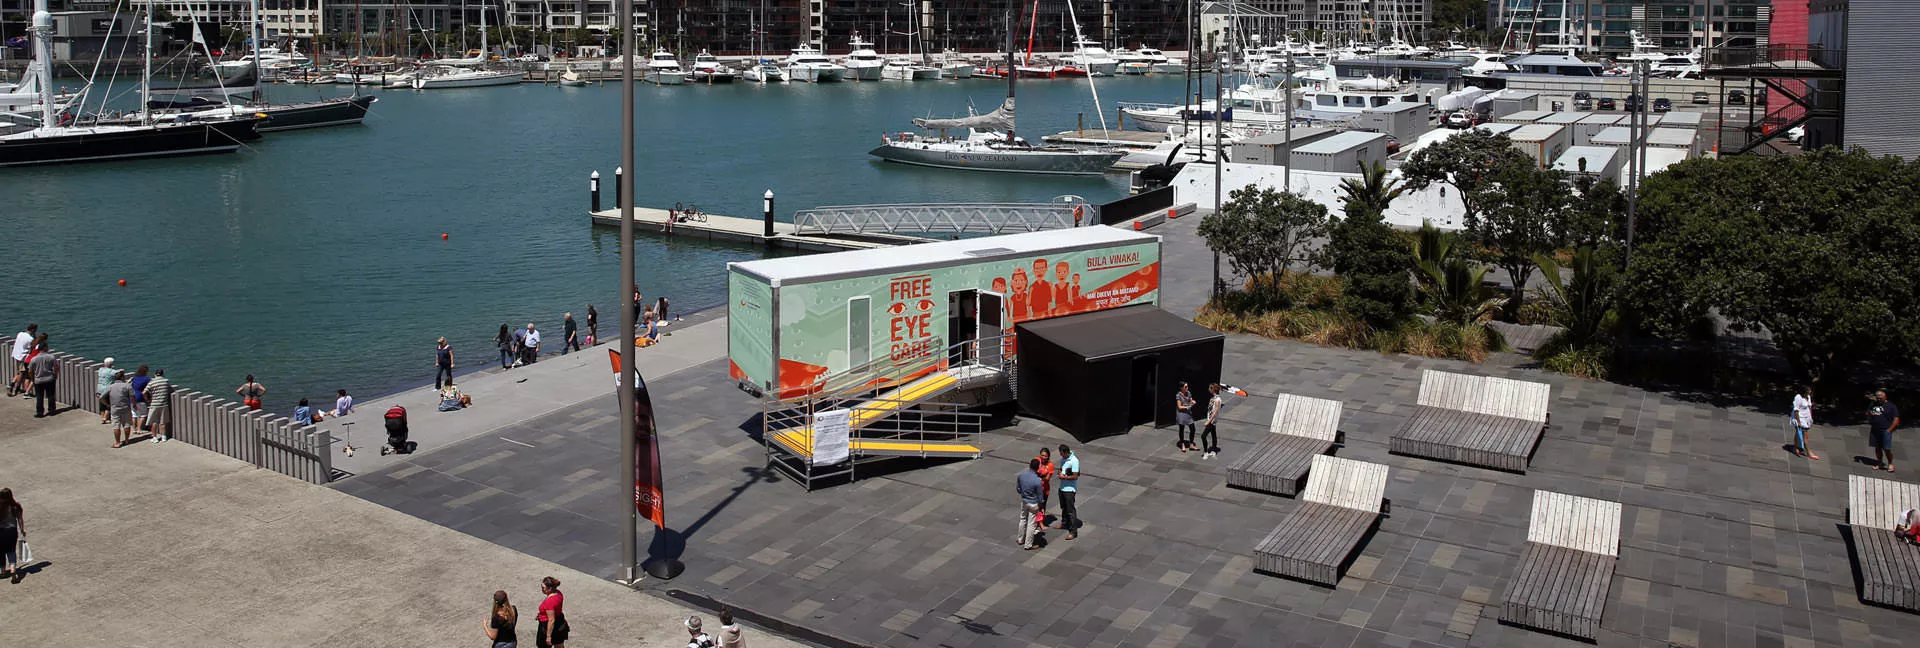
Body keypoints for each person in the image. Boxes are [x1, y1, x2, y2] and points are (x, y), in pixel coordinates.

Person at [1870, 390, 1902, 472]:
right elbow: (1868, 413)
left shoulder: (1891, 406)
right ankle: (1879, 462)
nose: (1879, 400)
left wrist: (1889, 430)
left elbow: (1896, 419)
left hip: (1885, 430)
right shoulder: (1874, 404)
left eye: (1881, 398)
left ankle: (1890, 464)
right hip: (1875, 430)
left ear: (1885, 397)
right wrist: (1870, 413)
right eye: (1878, 398)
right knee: (1877, 448)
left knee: (1887, 448)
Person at [1016, 459, 1044, 550]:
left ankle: (1020, 539)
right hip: (1033, 503)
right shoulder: (1037, 480)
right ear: (1038, 468)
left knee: (1022, 519)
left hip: (1024, 500)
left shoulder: (1021, 475)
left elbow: (1018, 488)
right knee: (1031, 524)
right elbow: (1040, 496)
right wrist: (1041, 506)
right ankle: (1028, 544)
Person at [1054, 444, 1080, 540]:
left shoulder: (1074, 461)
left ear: (1066, 452)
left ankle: (1073, 531)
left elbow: (1075, 476)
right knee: (1063, 507)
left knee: (1070, 510)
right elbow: (1060, 470)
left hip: (1070, 489)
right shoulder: (1063, 460)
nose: (1061, 456)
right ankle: (1064, 523)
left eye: (1061, 454)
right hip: (1062, 488)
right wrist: (1060, 473)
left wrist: (1064, 477)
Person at [535, 576, 567, 648]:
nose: (542, 589)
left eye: (543, 587)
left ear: (550, 588)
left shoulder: (550, 601)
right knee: (559, 644)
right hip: (559, 622)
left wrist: (548, 636)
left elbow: (551, 620)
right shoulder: (558, 593)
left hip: (547, 626)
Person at [107, 371, 135, 448]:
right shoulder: (127, 386)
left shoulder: (111, 386)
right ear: (122, 377)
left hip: (115, 409)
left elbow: (101, 397)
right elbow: (132, 396)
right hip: (125, 408)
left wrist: (108, 405)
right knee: (126, 424)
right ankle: (126, 440)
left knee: (116, 426)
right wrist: (134, 405)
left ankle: (117, 442)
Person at [1789, 385, 1818, 460]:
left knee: (1798, 433)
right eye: (1808, 390)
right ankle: (1809, 452)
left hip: (1806, 418)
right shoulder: (1798, 397)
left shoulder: (1808, 397)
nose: (1810, 392)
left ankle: (1795, 448)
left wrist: (1810, 418)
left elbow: (1809, 407)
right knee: (1805, 436)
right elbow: (1796, 410)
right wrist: (1798, 422)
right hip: (1800, 418)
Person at [29, 342, 57, 418]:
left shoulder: (34, 359)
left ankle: (40, 412)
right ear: (44, 348)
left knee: (39, 396)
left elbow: (30, 370)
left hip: (38, 380)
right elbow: (56, 367)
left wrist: (33, 379)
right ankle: (51, 410)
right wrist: (55, 375)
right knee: (51, 395)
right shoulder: (51, 357)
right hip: (49, 379)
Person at [0, 488, 22, 583]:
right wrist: (22, 530)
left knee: (1, 552)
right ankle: (13, 569)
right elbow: (20, 519)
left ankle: (3, 571)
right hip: (12, 531)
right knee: (11, 550)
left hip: (1, 531)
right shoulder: (16, 506)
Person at [146, 369, 174, 442]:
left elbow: (144, 392)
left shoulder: (151, 382)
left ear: (155, 374)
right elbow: (171, 389)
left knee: (154, 422)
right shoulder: (166, 381)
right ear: (162, 374)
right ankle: (164, 437)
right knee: (163, 422)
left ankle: (155, 438)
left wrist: (148, 400)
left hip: (154, 404)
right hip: (164, 404)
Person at [7, 323, 34, 397]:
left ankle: (11, 385)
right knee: (21, 374)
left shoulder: (20, 334)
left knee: (19, 372)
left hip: (16, 354)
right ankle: (15, 388)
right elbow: (30, 349)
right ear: (33, 330)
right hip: (22, 357)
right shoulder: (30, 339)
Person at [1202, 383, 1225, 459]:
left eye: (1210, 388)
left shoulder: (1217, 399)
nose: (1209, 389)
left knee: (1203, 436)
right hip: (1210, 419)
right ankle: (1214, 451)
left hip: (1212, 421)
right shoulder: (1213, 398)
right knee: (1213, 434)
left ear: (1213, 389)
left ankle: (1206, 452)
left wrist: (1208, 421)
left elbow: (1215, 412)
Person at [1033, 447, 1054, 528]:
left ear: (1048, 456)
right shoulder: (1036, 460)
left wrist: (1039, 476)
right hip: (1035, 488)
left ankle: (1041, 522)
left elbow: (1047, 478)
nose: (1043, 457)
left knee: (1042, 506)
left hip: (1044, 489)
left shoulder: (1050, 465)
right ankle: (1034, 521)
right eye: (1042, 455)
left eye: (1045, 456)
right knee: (1034, 506)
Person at [1175, 382, 1197, 453]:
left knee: (1193, 429)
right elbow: (1179, 406)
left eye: (1187, 386)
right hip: (1181, 414)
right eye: (1185, 387)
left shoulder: (1188, 393)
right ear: (1181, 388)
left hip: (1188, 414)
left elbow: (1190, 400)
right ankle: (1182, 444)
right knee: (1182, 429)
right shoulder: (1178, 395)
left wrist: (1192, 401)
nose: (1187, 388)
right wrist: (1187, 407)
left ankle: (1191, 444)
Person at [130, 365, 152, 431]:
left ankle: (134, 429)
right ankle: (139, 429)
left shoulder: (134, 378)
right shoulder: (147, 379)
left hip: (132, 397)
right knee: (143, 414)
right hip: (140, 397)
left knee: (134, 414)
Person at [96, 357, 118, 424]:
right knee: (109, 404)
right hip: (107, 389)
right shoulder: (112, 371)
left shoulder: (100, 370)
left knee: (102, 404)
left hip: (99, 388)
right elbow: (118, 374)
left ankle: (102, 417)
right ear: (111, 364)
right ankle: (105, 418)